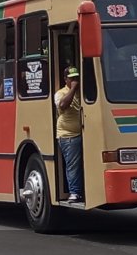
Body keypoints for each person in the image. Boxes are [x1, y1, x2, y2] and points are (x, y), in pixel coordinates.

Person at [54, 66, 83, 202]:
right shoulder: (61, 93)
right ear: (65, 79)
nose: (75, 81)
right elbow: (63, 105)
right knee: (73, 165)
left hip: (83, 133)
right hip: (68, 135)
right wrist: (72, 89)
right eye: (72, 79)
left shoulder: (82, 92)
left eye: (76, 78)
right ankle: (74, 192)